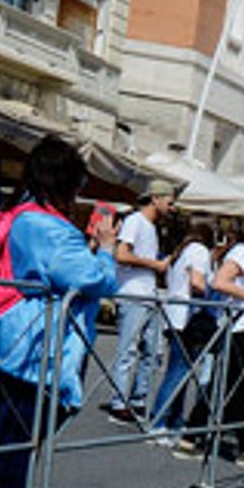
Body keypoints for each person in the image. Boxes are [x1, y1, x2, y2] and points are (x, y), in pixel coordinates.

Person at [0, 136, 118, 488]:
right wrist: (106, 249)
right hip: (38, 339)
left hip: (11, 332)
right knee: (27, 427)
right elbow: (92, 279)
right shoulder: (49, 226)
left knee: (11, 426)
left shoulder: (18, 215)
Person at [177, 206, 244, 470]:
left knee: (225, 385)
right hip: (240, 328)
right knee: (239, 389)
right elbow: (220, 282)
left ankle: (191, 437)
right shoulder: (241, 253)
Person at [103, 179, 177, 424]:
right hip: (133, 293)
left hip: (149, 294)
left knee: (154, 351)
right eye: (170, 201)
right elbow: (122, 254)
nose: (172, 207)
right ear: (156, 198)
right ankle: (118, 402)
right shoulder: (135, 221)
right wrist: (154, 264)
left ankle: (137, 399)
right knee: (129, 349)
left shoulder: (152, 227)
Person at [145, 213, 217, 444]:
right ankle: (159, 421)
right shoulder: (200, 251)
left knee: (180, 371)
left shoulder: (182, 250)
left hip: (175, 317)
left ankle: (174, 421)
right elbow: (197, 282)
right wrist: (211, 293)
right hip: (188, 319)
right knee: (178, 372)